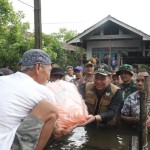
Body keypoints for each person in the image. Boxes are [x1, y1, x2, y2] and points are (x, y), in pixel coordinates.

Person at [0, 49, 58, 150]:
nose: (49, 77)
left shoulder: (3, 80)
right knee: (49, 109)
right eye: (49, 70)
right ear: (38, 67)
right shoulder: (43, 92)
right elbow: (56, 125)